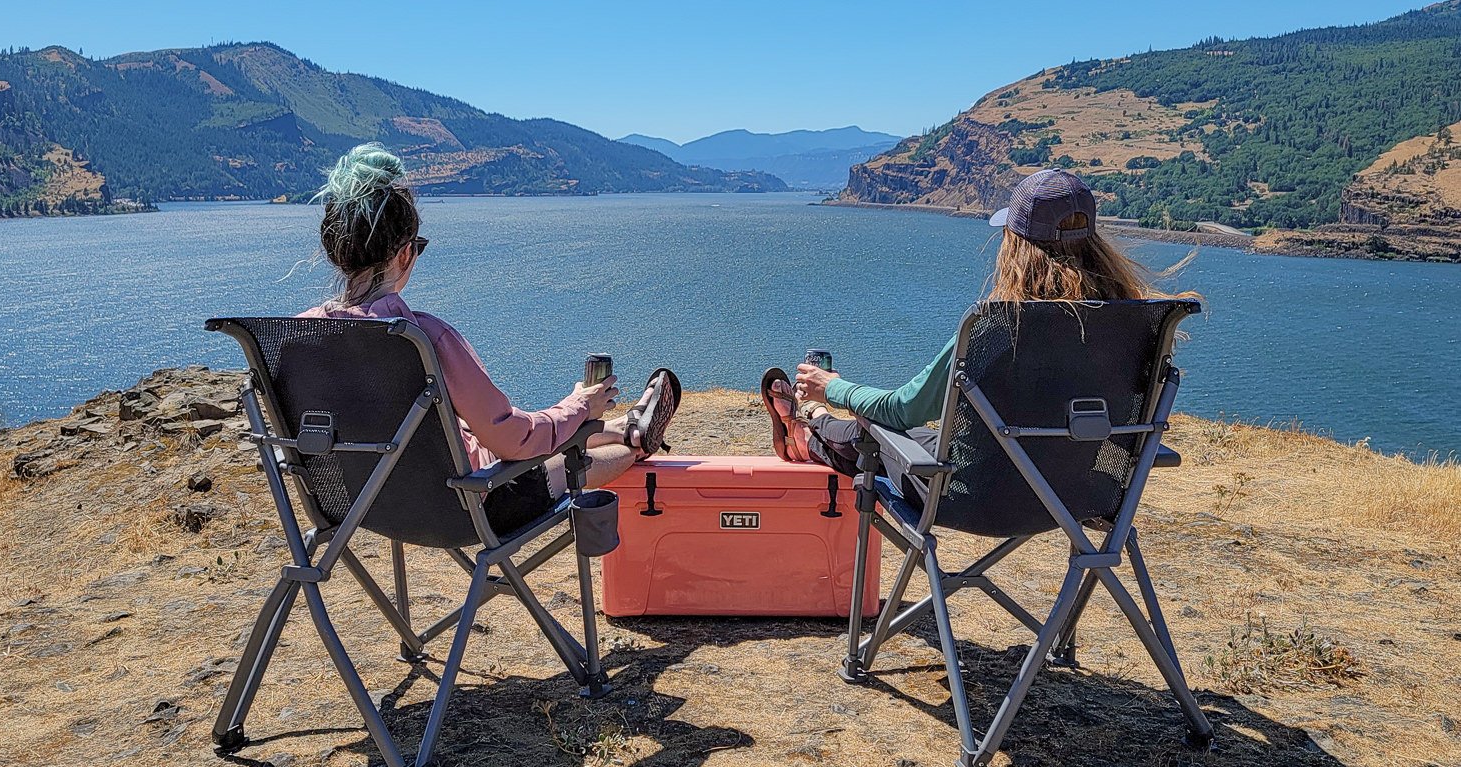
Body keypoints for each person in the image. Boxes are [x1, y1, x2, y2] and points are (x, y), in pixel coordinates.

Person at [300, 143, 680, 535]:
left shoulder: (300, 336)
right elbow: (515, 440)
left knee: (549, 437)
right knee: (564, 463)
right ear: (404, 254)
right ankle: (637, 444)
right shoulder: (422, 339)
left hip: (359, 509)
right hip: (463, 509)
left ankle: (629, 425)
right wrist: (578, 404)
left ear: (335, 252)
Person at [760, 168, 1192, 494]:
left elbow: (902, 409)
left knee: (870, 431)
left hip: (974, 495)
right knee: (918, 437)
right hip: (1078, 493)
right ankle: (807, 431)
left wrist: (832, 387)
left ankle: (809, 427)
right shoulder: (1133, 324)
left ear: (1016, 245)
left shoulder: (998, 325)